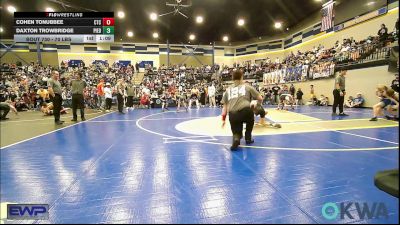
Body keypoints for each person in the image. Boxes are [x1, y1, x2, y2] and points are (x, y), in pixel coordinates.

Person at [221, 70, 263, 151]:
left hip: (233, 114)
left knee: (235, 127)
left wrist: (223, 120)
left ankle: (237, 138)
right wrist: (257, 105)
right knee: (250, 120)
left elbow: (224, 107)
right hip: (246, 111)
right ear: (241, 77)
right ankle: (248, 137)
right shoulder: (247, 87)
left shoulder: (228, 90)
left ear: (233, 78)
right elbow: (260, 98)